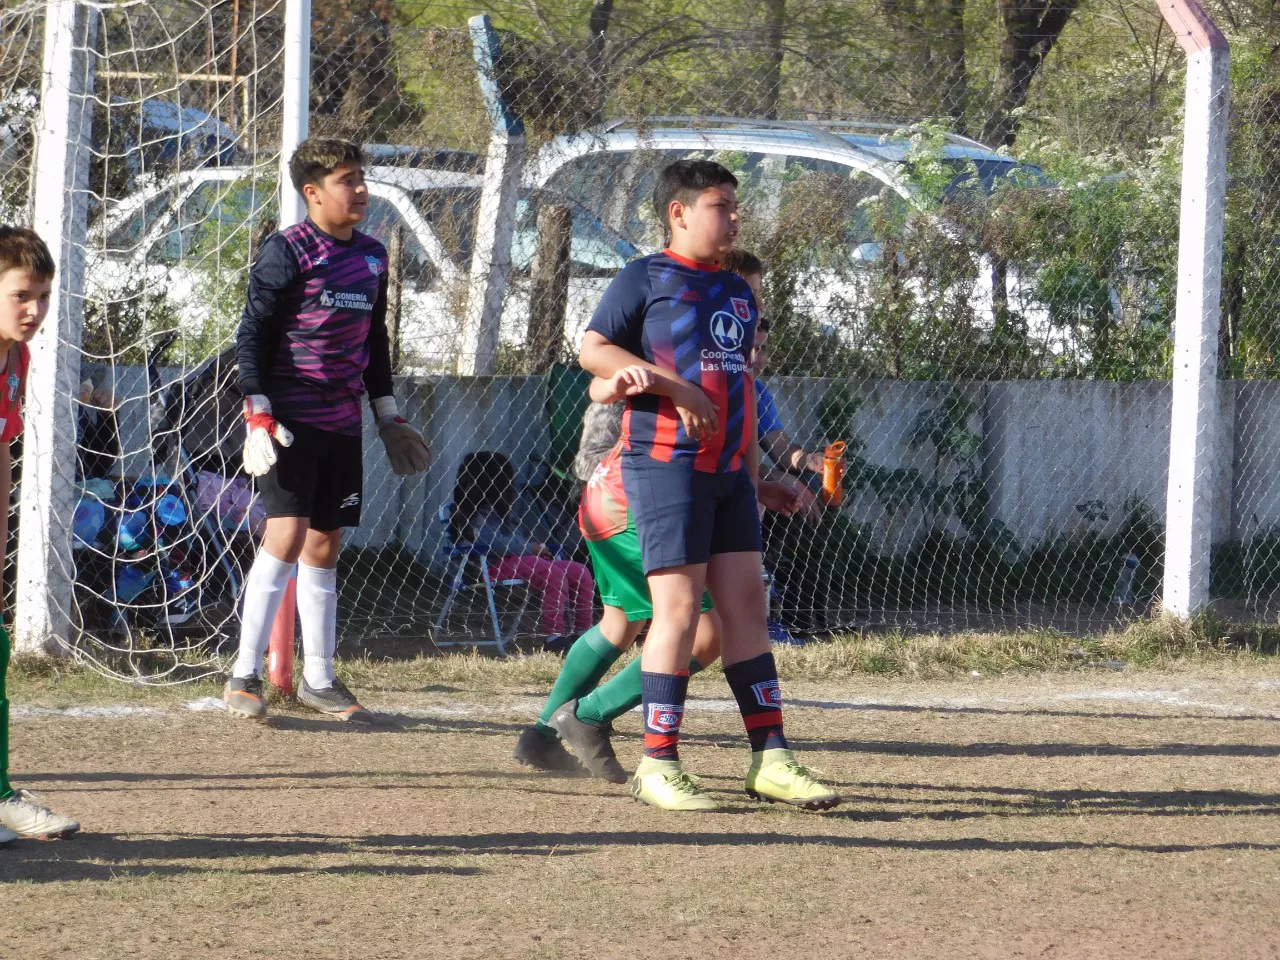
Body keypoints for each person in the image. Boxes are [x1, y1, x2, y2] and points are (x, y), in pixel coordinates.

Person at [577, 159, 840, 811]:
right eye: (721, 206)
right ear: (680, 212)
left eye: (734, 207)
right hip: (665, 466)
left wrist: (756, 483)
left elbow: (742, 397)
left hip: (728, 478)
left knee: (748, 610)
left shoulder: (738, 294)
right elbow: (592, 350)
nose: (733, 218)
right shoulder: (646, 278)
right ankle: (658, 765)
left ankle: (771, 758)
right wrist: (673, 386)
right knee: (676, 613)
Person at [223, 137, 431, 723]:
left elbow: (376, 344)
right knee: (284, 536)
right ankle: (244, 673)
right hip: (288, 422)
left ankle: (320, 677)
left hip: (342, 425)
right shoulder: (286, 250)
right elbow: (252, 334)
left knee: (325, 544)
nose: (360, 190)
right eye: (346, 180)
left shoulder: (372, 257)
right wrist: (257, 409)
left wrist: (387, 415)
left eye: (361, 178)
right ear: (312, 193)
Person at [0, 225, 81, 842]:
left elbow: (4, 450)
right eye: (21, 294)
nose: (35, 310)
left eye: (44, 296)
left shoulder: (16, 358)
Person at [720, 249, 833, 634]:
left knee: (800, 506)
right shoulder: (706, 376)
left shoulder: (756, 390)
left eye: (763, 348)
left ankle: (778, 613)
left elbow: (778, 446)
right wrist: (778, 480)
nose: (758, 357)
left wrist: (808, 462)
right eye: (752, 347)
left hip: (732, 482)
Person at [450, 451, 595, 650]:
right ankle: (554, 637)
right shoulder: (474, 514)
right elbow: (495, 543)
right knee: (552, 573)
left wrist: (535, 549)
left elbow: (517, 539)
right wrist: (529, 548)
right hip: (490, 566)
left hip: (517, 561)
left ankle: (583, 633)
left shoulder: (502, 512)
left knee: (579, 571)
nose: (512, 486)